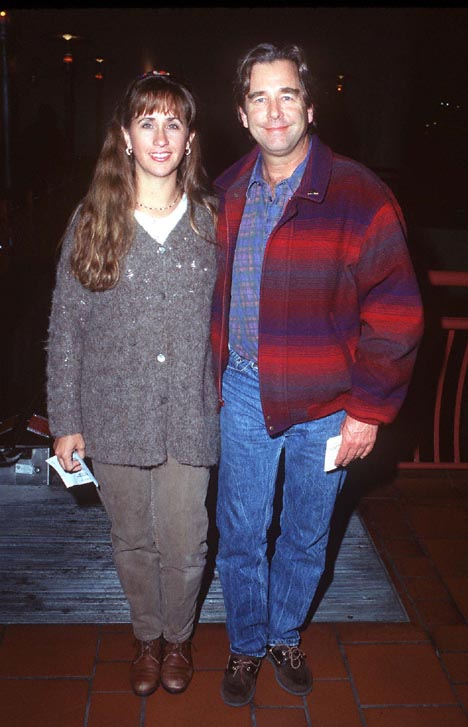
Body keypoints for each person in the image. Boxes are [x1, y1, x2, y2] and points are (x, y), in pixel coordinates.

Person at [211, 43, 424, 707]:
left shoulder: (361, 194)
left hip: (329, 403)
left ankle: (283, 633)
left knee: (305, 531)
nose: (274, 111)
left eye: (287, 94)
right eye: (259, 97)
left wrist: (368, 410)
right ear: (242, 114)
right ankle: (246, 644)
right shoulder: (222, 193)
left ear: (310, 103)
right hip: (244, 391)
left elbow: (396, 312)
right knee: (241, 530)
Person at [46, 70, 219, 698]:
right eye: (146, 121)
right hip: (114, 415)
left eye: (173, 121)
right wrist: (65, 418)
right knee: (132, 539)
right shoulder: (94, 220)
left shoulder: (210, 221)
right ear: (125, 136)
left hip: (191, 417)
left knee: (186, 538)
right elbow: (66, 326)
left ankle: (178, 638)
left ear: (190, 137)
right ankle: (146, 637)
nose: (160, 135)